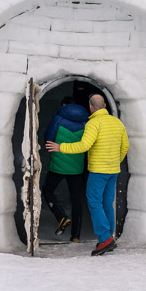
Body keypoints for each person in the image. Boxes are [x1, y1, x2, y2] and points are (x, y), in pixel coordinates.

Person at [45, 94, 129, 256]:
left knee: (94, 203)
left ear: (90, 107)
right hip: (113, 171)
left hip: (98, 171)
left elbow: (84, 146)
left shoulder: (93, 123)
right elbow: (125, 146)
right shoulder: (117, 122)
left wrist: (60, 147)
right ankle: (109, 237)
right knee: (106, 203)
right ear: (104, 105)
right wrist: (114, 161)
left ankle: (104, 239)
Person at [42, 96, 88, 242]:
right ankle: (75, 236)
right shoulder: (86, 122)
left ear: (64, 105)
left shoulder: (58, 119)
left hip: (58, 165)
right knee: (76, 199)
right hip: (77, 166)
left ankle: (61, 216)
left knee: (47, 191)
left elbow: (48, 139)